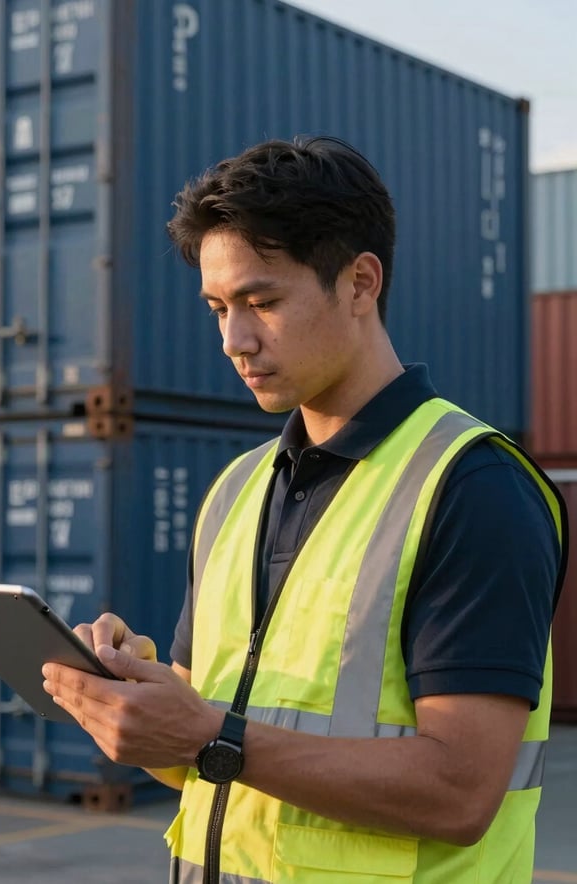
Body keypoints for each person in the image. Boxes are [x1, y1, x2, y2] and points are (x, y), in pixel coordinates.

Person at [42, 136, 567, 883]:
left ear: (359, 283)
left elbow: (460, 793)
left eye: (262, 301)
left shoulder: (471, 486)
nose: (233, 339)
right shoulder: (236, 490)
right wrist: (135, 702)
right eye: (218, 307)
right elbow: (192, 761)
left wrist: (210, 736)